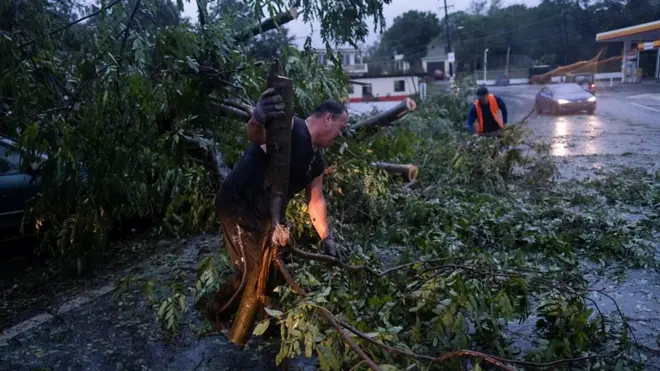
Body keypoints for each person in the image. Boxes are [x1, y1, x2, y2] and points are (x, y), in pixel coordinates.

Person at [207, 88, 349, 330]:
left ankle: (264, 320)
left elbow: (315, 201)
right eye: (341, 127)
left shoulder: (317, 162)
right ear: (327, 118)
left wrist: (327, 238)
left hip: (268, 215)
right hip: (238, 203)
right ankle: (216, 313)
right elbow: (256, 136)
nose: (341, 134)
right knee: (250, 268)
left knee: (273, 267)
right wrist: (258, 117)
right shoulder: (291, 127)